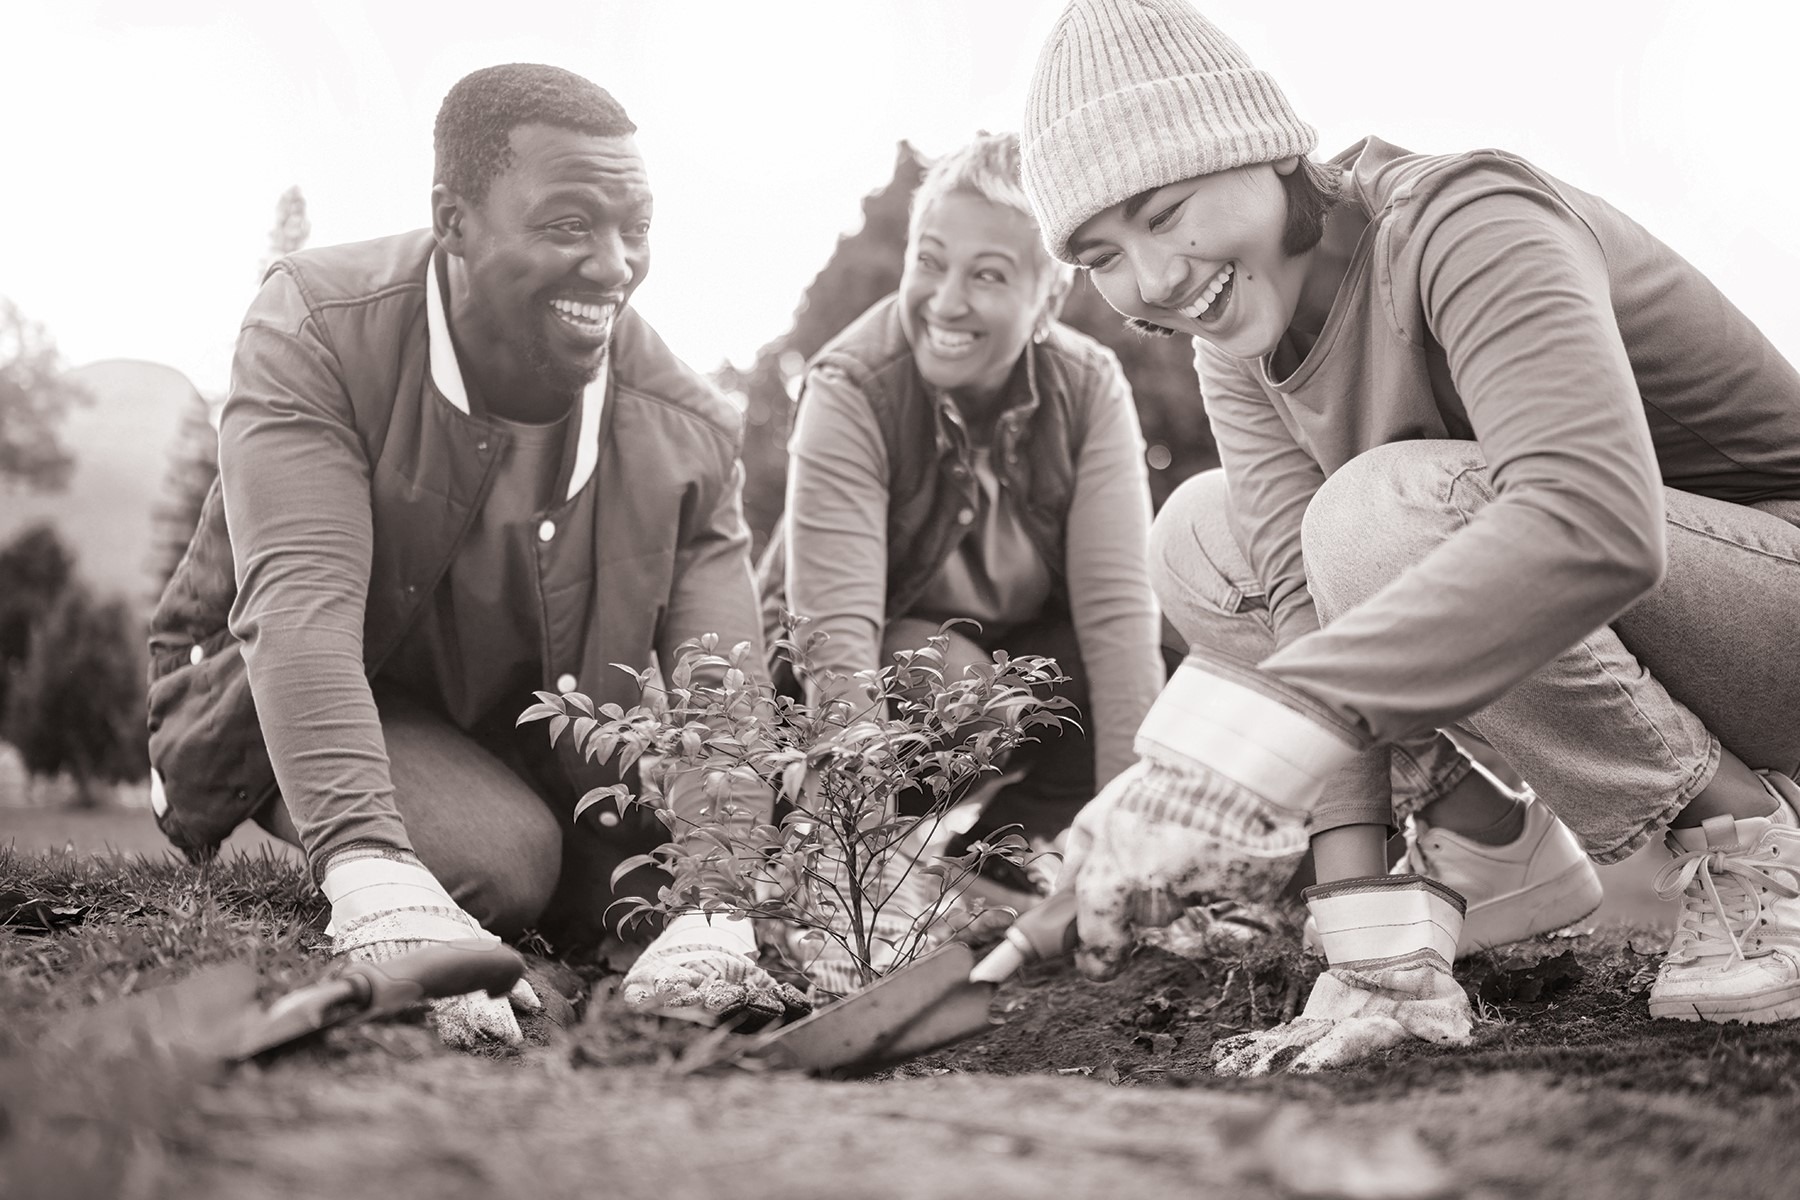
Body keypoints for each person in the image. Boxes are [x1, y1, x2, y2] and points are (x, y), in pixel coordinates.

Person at [1020, 0, 1800, 1073]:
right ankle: (1485, 842)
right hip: (1634, 629)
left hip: (1767, 603)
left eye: (1166, 211)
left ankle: (1746, 843)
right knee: (1203, 538)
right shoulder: (1237, 346)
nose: (1152, 283)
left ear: (1259, 149)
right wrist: (1364, 928)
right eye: (1102, 255)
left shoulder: (1466, 216)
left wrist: (1250, 754)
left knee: (1376, 516)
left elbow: (1594, 518)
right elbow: (1301, 606)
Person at [145, 64, 804, 1049]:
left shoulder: (685, 425)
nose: (615, 264)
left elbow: (723, 692)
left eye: (635, 226)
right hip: (301, 683)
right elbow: (301, 614)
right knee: (506, 861)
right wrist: (374, 879)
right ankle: (291, 815)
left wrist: (712, 906)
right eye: (570, 224)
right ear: (453, 219)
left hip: (521, 727)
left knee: (637, 884)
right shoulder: (315, 326)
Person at [763, 132, 1167, 908]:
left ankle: (1012, 858)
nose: (946, 301)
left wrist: (1126, 846)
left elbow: (1119, 618)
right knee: (956, 684)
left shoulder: (1088, 387)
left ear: (1046, 298)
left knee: (1163, 664)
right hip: (852, 695)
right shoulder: (852, 385)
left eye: (987, 275)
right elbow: (836, 639)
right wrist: (860, 874)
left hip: (1000, 672)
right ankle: (849, 860)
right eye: (929, 261)